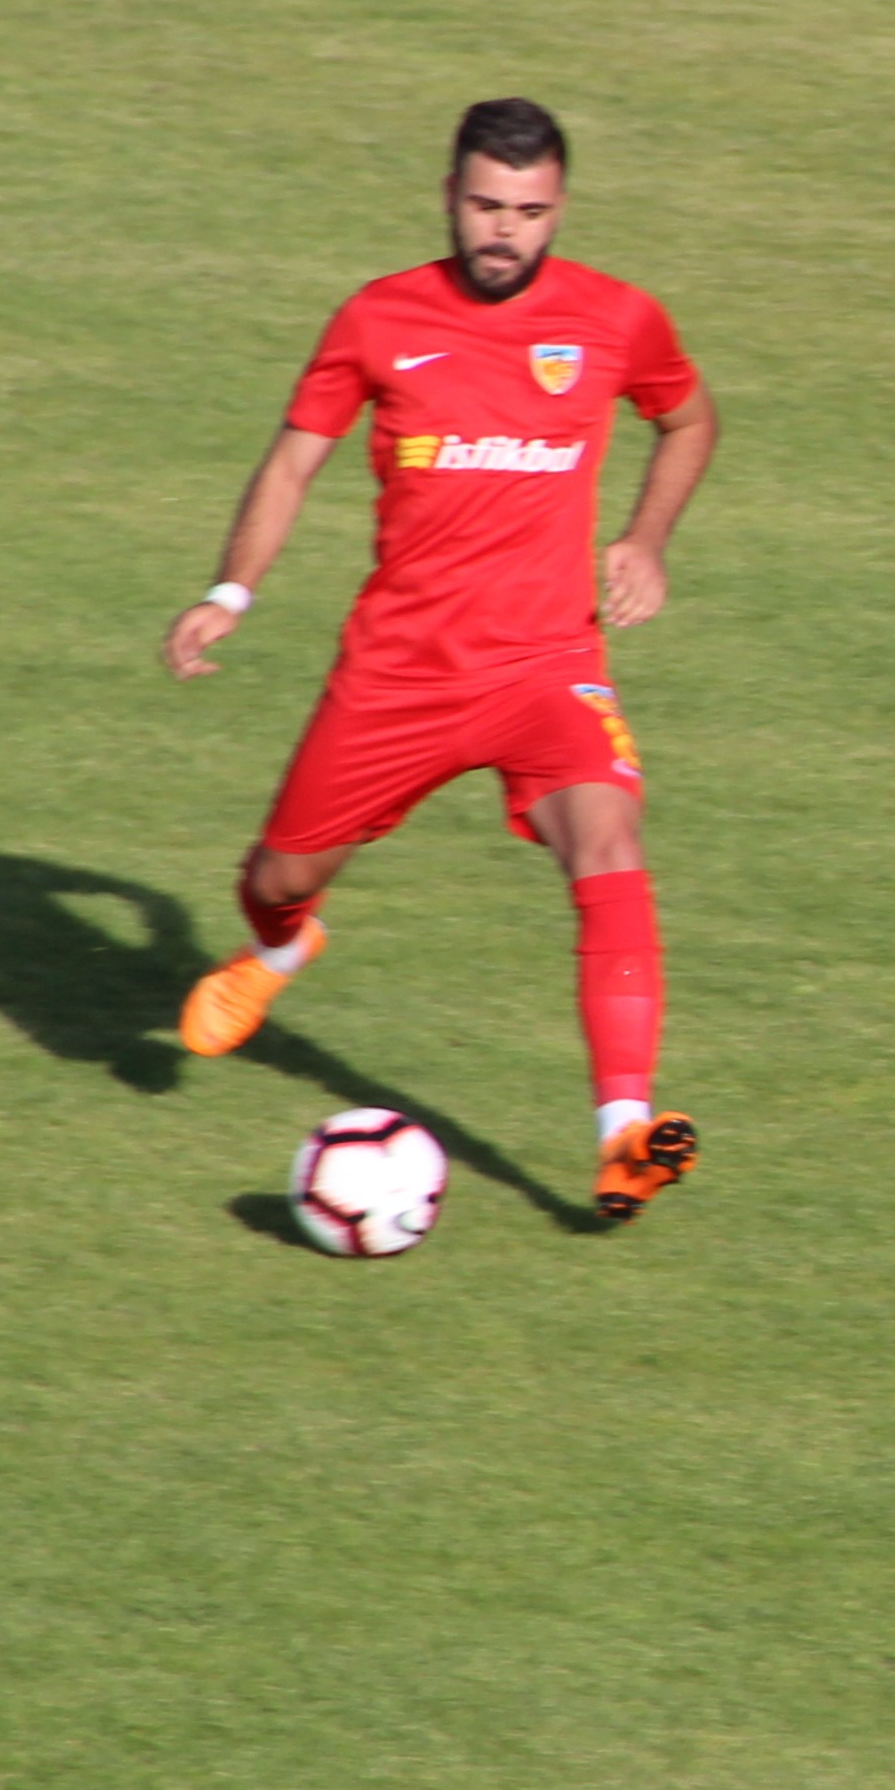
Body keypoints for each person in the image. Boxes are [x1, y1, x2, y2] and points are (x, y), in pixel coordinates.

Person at [164, 100, 721, 1226]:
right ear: (448, 196)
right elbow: (290, 466)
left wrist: (645, 541)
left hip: (548, 663)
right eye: (484, 206)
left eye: (529, 212)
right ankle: (281, 953)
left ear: (560, 207)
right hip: (401, 675)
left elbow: (691, 418)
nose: (504, 232)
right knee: (274, 880)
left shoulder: (616, 318)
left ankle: (625, 1133)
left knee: (609, 839)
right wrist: (232, 592)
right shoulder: (379, 318)